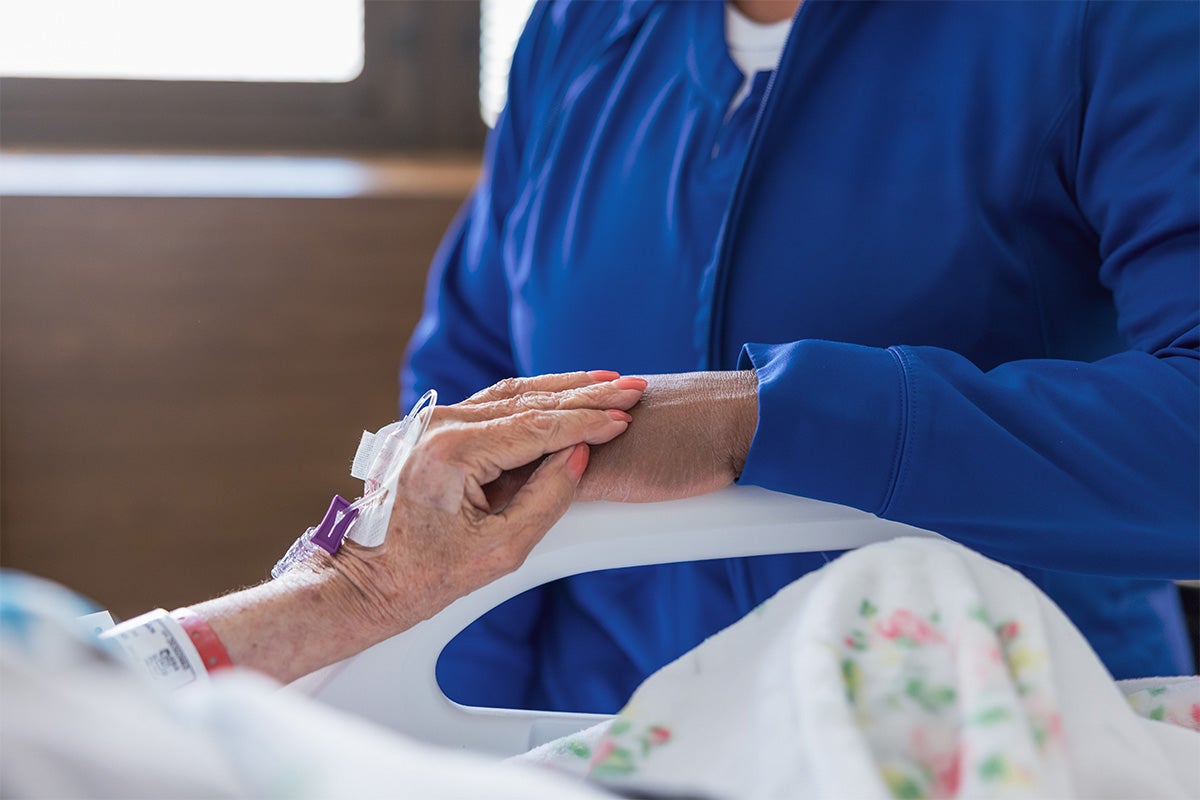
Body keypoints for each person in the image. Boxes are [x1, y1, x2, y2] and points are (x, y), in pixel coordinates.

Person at [403, 0, 1200, 713]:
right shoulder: (577, 26)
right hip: (590, 736)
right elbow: (472, 397)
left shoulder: (1108, 21)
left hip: (994, 735)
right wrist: (452, 727)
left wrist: (757, 422)